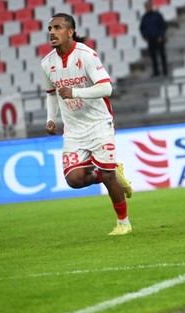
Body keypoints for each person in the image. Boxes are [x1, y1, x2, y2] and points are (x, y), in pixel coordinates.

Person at [41, 13, 134, 236]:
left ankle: (124, 223)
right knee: (74, 180)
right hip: (73, 129)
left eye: (57, 27)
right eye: (50, 28)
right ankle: (110, 171)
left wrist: (75, 92)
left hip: (99, 123)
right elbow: (51, 94)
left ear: (70, 31)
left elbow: (106, 88)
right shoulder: (47, 63)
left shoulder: (87, 55)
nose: (52, 32)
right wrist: (51, 118)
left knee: (108, 175)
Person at [139, 0, 168, 77]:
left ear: (151, 6)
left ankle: (165, 71)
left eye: (149, 6)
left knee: (162, 55)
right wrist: (145, 36)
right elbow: (142, 28)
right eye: (146, 6)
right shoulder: (144, 17)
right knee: (153, 56)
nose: (148, 7)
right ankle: (156, 72)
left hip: (159, 39)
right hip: (150, 39)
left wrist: (161, 35)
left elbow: (163, 25)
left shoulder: (157, 15)